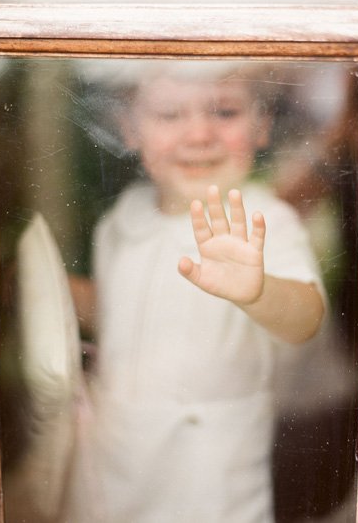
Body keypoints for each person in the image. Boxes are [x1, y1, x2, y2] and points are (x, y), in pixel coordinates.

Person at [65, 63, 327, 522]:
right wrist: (54, 293)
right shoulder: (121, 220)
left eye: (225, 112)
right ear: (129, 129)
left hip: (207, 478)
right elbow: (119, 318)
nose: (199, 133)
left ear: (262, 125)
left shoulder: (264, 219)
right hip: (116, 461)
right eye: (169, 114)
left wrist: (257, 290)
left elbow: (306, 317)